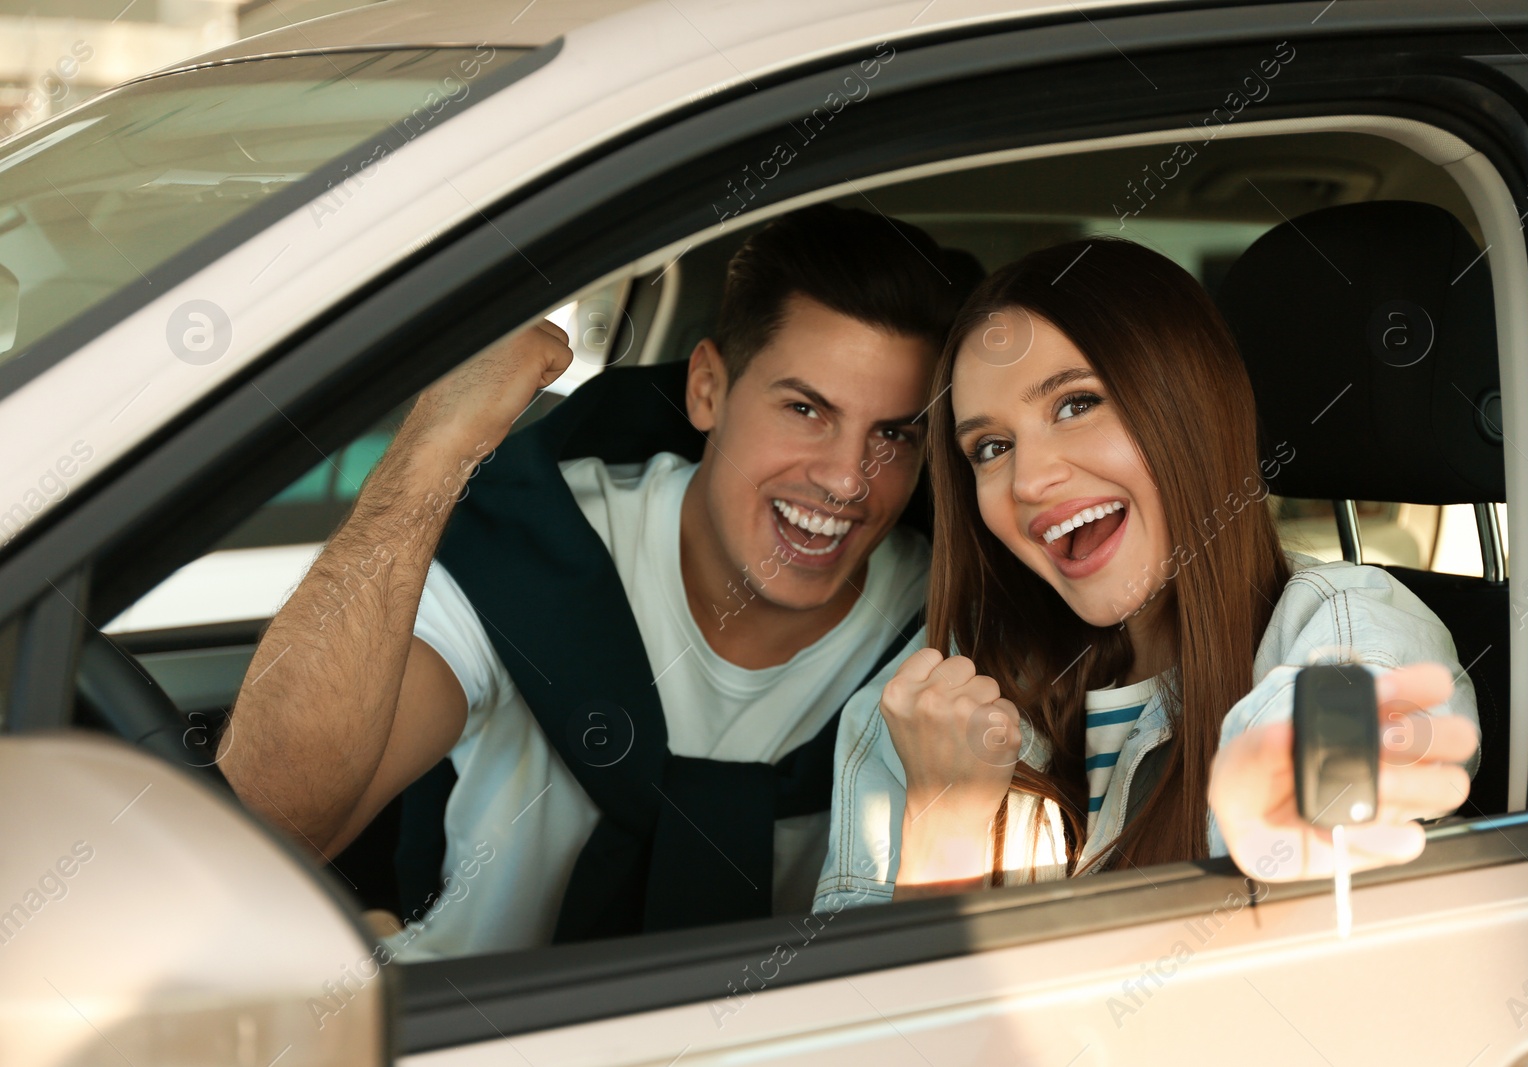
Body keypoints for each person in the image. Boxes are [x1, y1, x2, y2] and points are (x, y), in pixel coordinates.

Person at [219, 205, 978, 958]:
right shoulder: (543, 544)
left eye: (895, 434)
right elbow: (270, 821)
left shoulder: (948, 636)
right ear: (708, 388)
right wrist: (436, 443)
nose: (848, 478)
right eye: (806, 409)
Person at [813, 236, 1480, 909]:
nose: (1030, 479)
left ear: (1190, 402)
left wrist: (1301, 799)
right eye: (991, 446)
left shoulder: (1337, 621)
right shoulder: (927, 708)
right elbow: (859, 1013)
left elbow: (1352, 711)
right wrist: (945, 825)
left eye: (1076, 404)